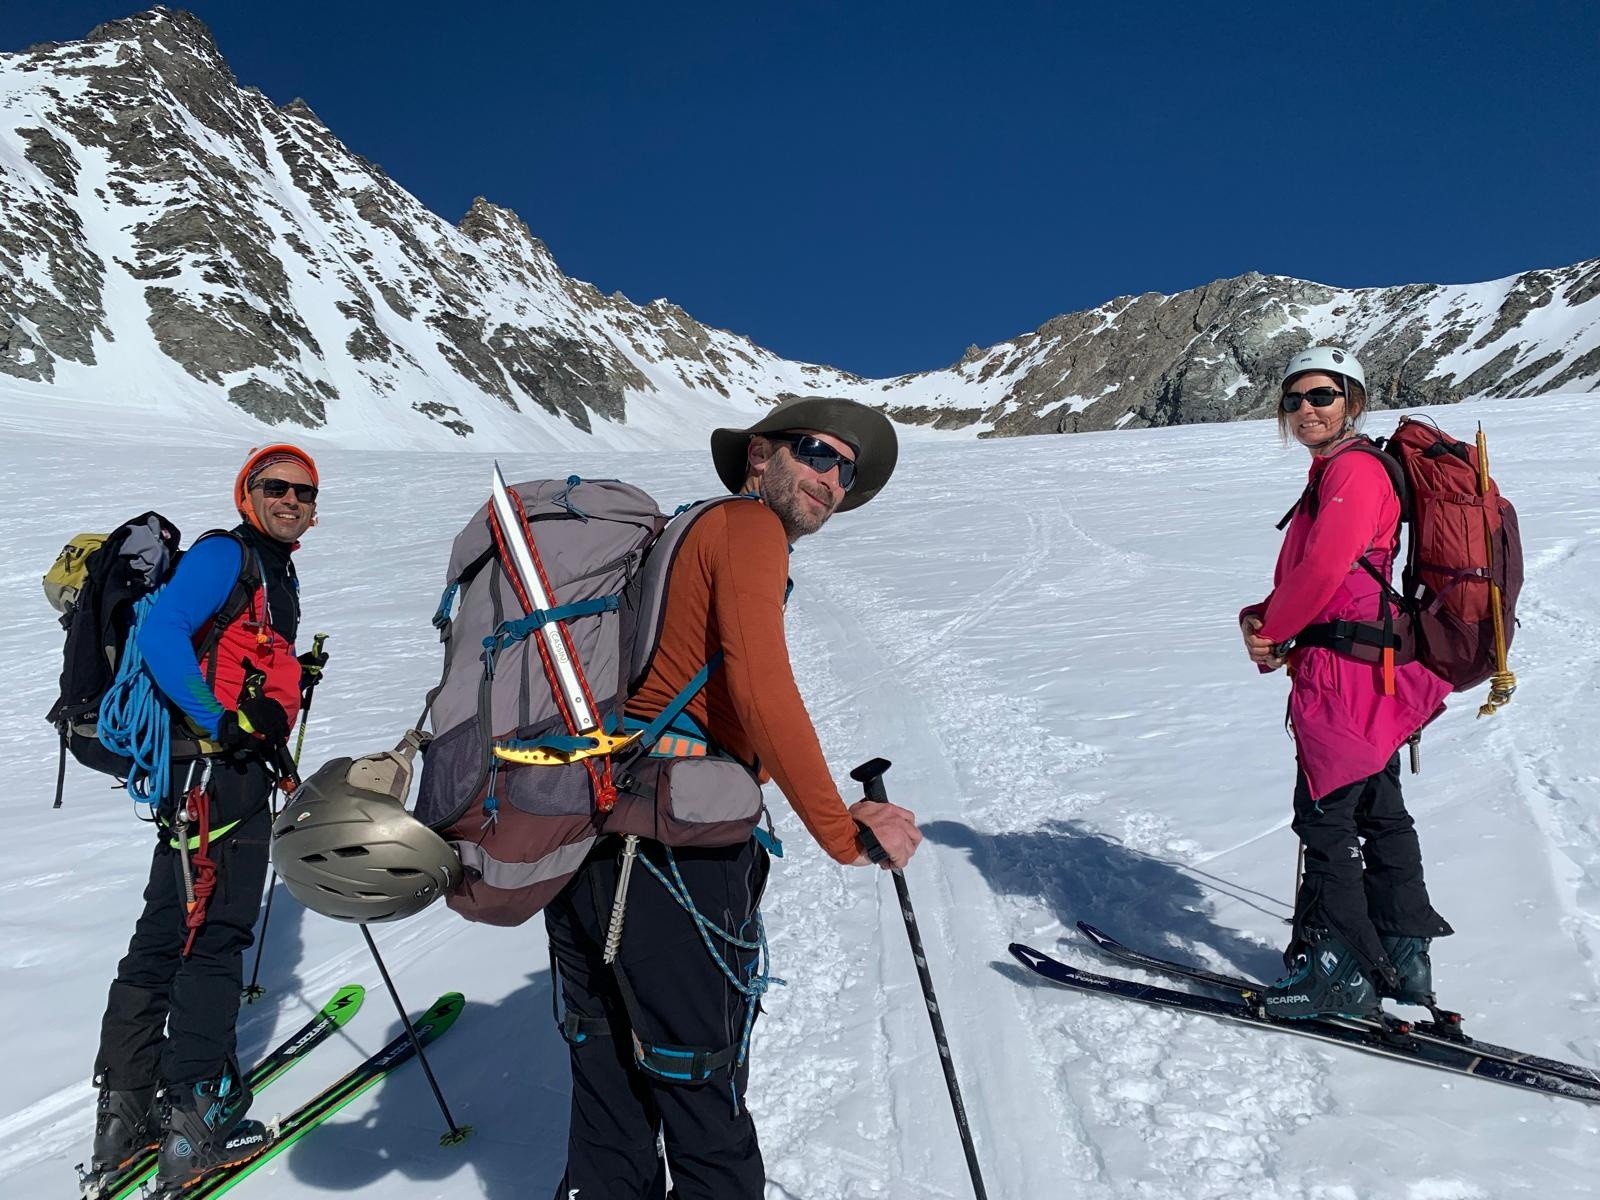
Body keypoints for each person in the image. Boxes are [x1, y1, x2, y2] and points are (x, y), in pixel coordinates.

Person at [544, 397, 923, 1199]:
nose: (833, 478)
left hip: (590, 831)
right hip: (675, 851)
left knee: (608, 1082)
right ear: (759, 455)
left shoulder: (681, 532)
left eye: (847, 470)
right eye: (816, 452)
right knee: (698, 1089)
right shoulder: (750, 528)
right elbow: (762, 688)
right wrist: (841, 828)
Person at [90, 444, 324, 1188]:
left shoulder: (271, 570)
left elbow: (237, 656)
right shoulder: (228, 554)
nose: (290, 500)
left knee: (166, 929)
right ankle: (195, 1121)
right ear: (246, 493)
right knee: (214, 933)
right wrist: (217, 721)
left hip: (204, 774)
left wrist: (283, 689)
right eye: (275, 486)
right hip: (215, 776)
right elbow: (163, 634)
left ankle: (124, 1116)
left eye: (304, 493)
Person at [1240, 347, 1453, 1019]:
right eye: (1294, 399)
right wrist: (1265, 618)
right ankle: (1402, 956)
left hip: (1345, 675)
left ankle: (1340, 972)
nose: (1305, 409)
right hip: (1365, 666)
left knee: (1327, 818)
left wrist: (1271, 630)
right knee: (1377, 811)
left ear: (1352, 402)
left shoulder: (1353, 471)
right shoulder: (1338, 471)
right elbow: (1321, 574)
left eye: (1321, 396)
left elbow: (1326, 569)